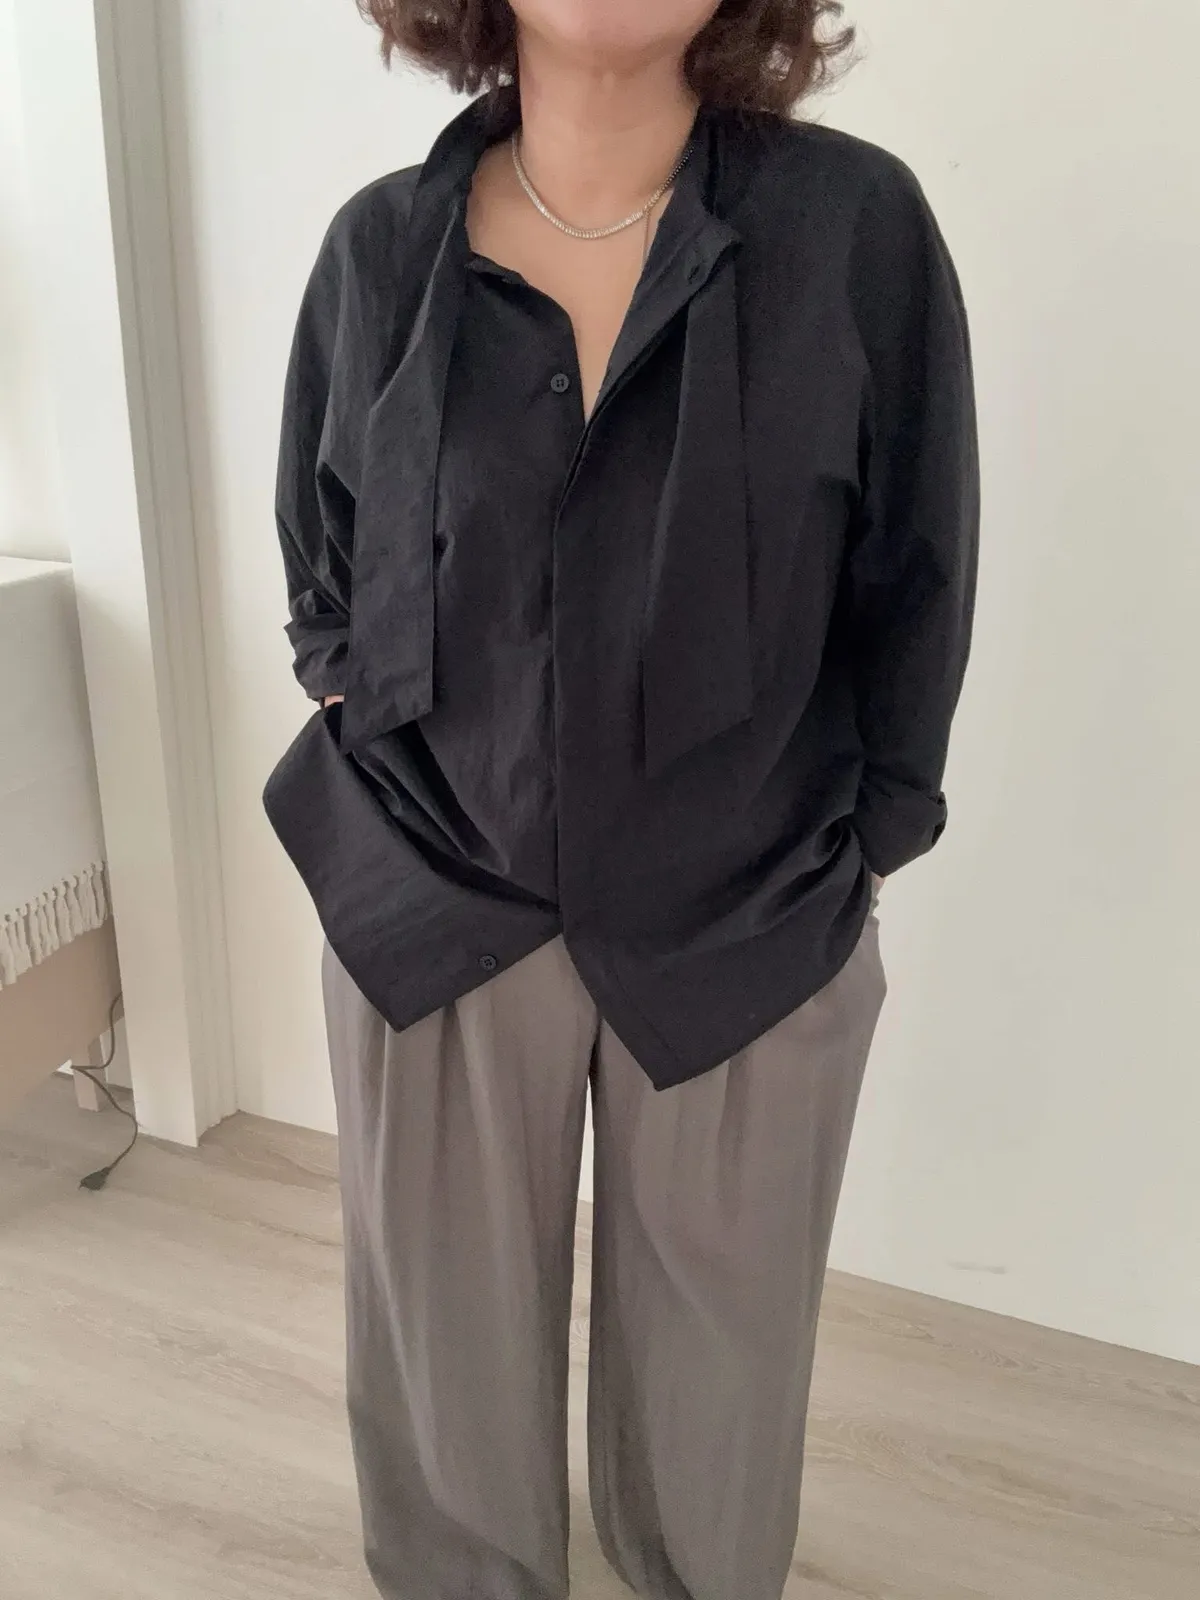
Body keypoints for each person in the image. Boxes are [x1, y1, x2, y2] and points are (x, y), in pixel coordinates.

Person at [263, 2, 979, 1597]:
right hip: (433, 904)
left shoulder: (855, 231)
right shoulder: (379, 251)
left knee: (717, 1414)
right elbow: (324, 569)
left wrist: (864, 845)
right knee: (442, 1382)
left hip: (754, 919)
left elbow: (917, 565)